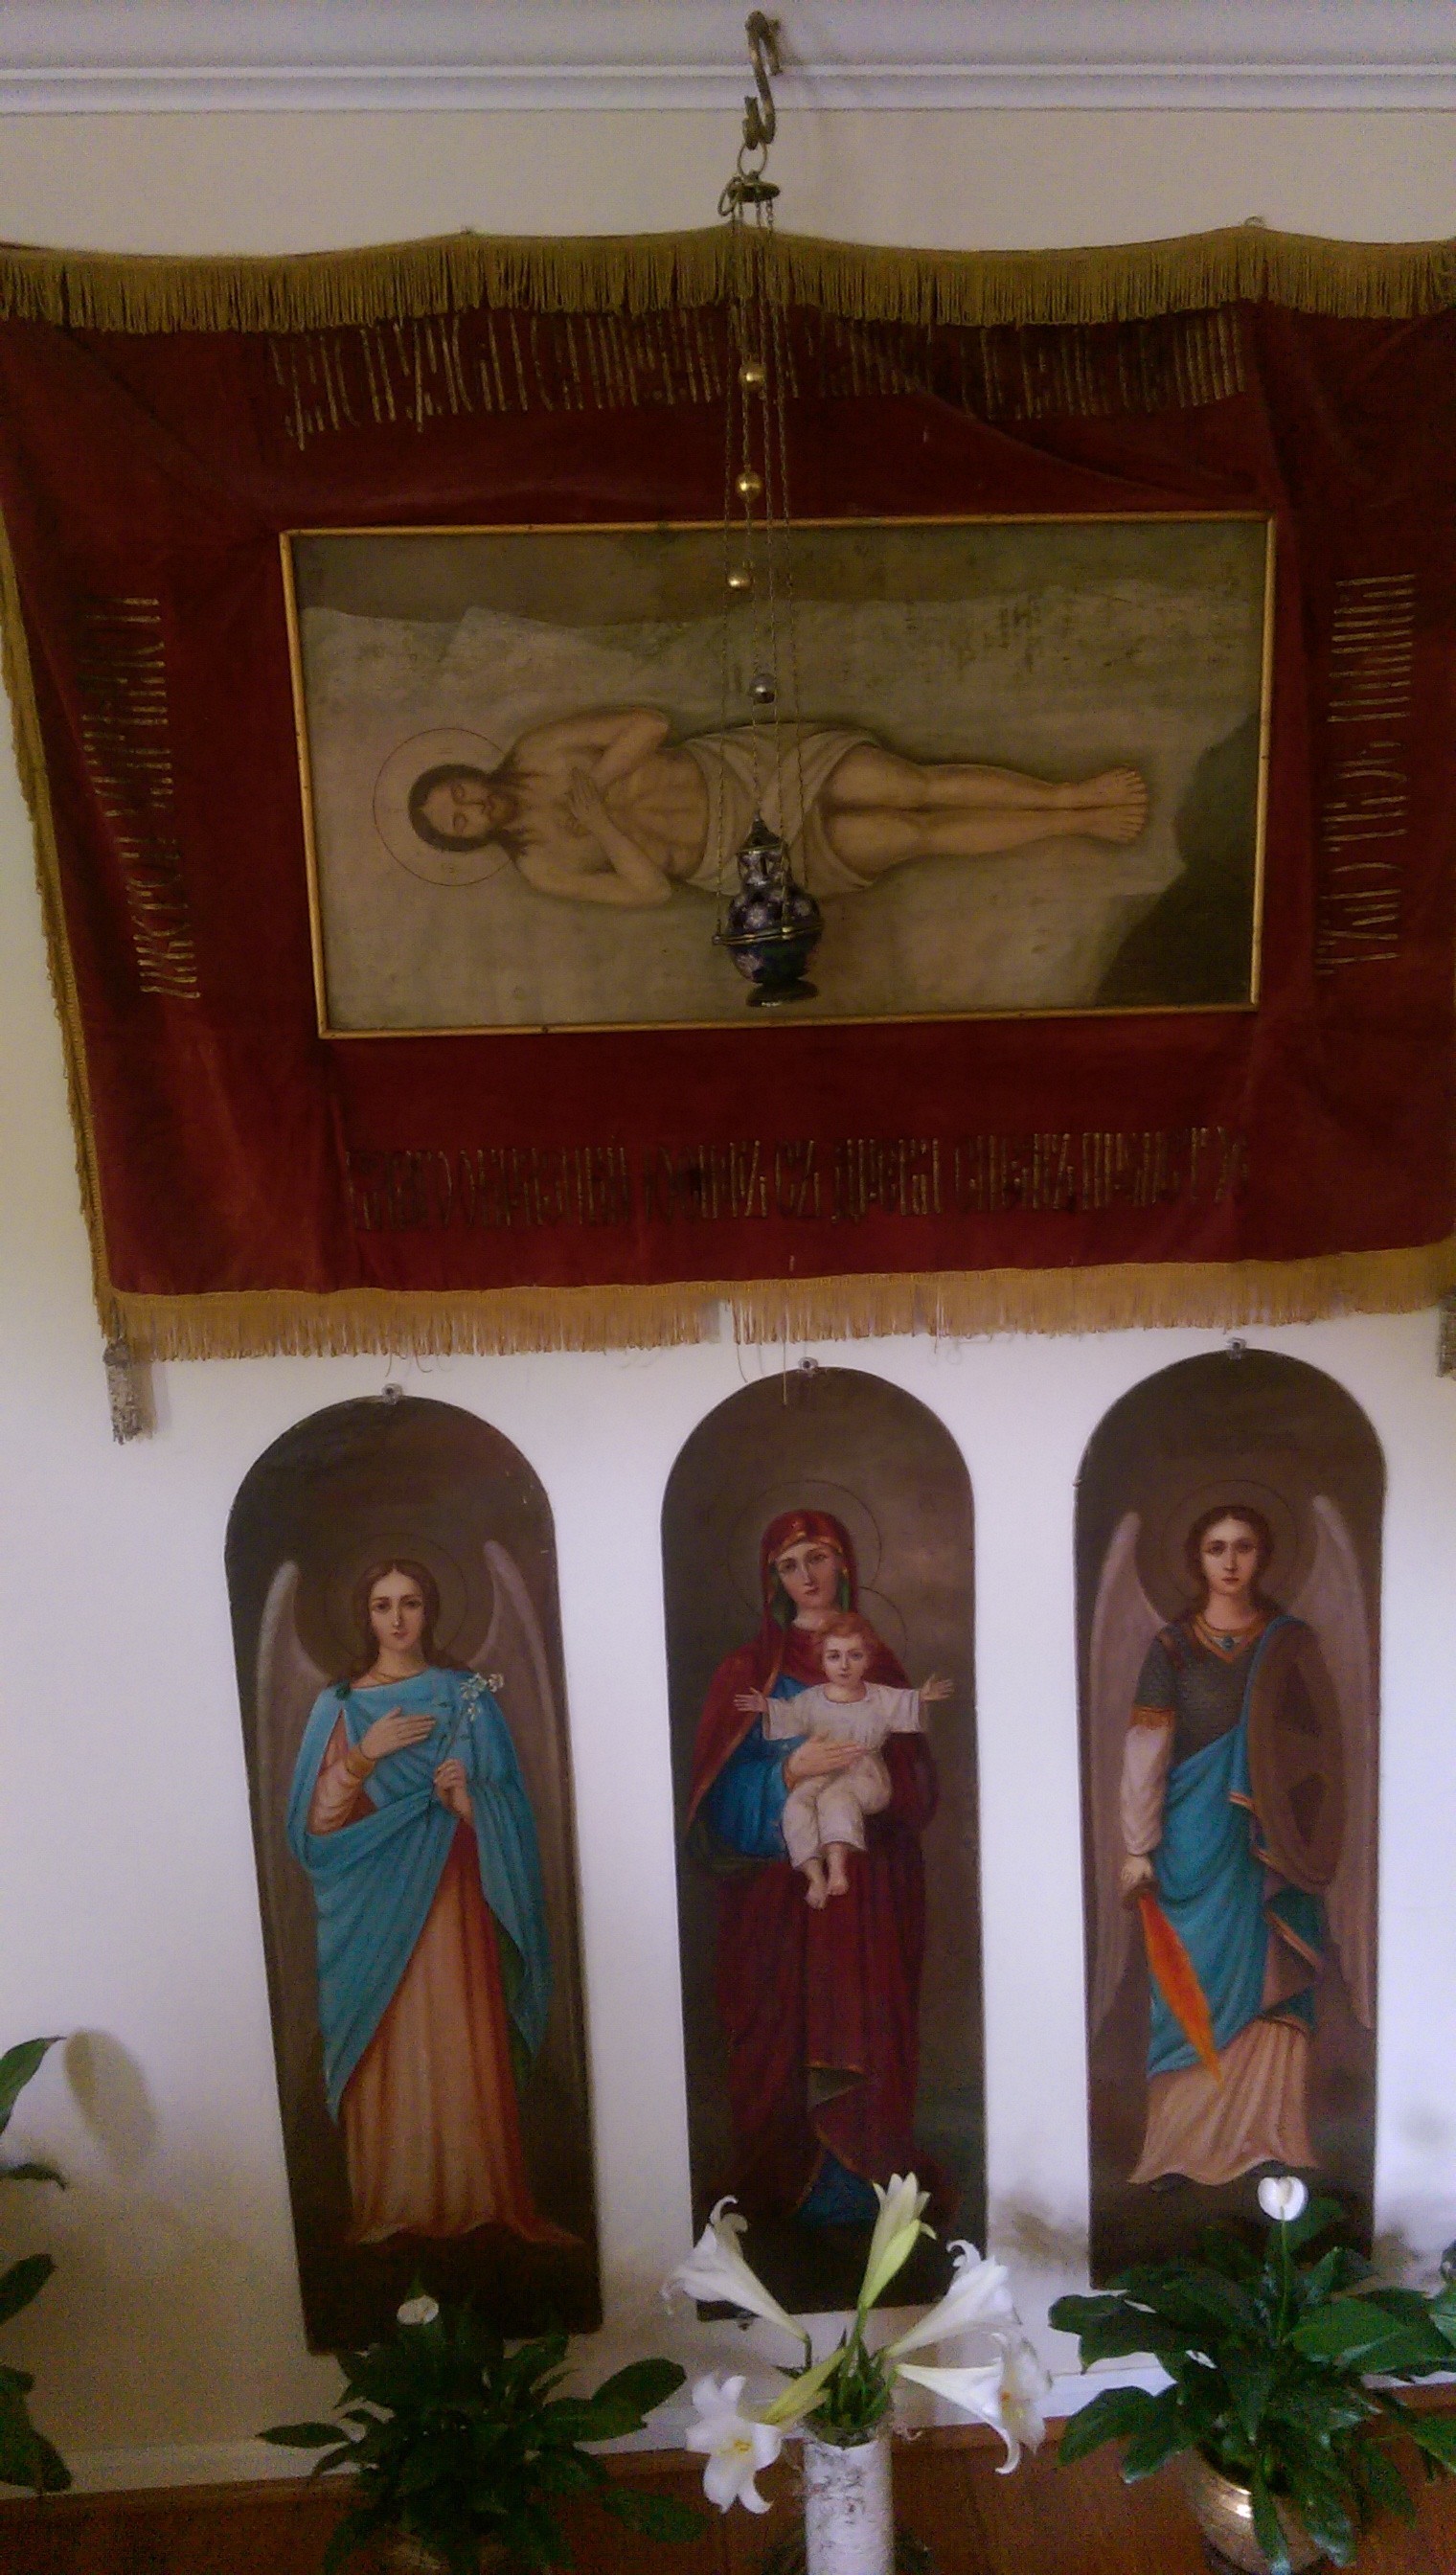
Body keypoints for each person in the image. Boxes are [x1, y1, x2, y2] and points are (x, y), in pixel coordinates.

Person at [286, 1558, 569, 2245]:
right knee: (389, 2039)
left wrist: (470, 1801)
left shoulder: (467, 1696)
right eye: (382, 1605)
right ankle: (394, 2202)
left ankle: (478, 2196)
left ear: (429, 1610)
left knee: (456, 2036)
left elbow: (514, 1810)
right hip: (371, 1904)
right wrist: (363, 1756)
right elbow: (315, 1828)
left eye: (410, 1602)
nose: (397, 1618)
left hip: (451, 1898)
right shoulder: (340, 1707)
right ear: (365, 1616)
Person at [686, 1509, 943, 2226]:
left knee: (866, 2031)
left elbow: (920, 1789)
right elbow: (715, 1805)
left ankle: (864, 2191)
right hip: (779, 1901)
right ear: (773, 1579)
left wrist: (875, 1772)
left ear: (845, 1564)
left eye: (819, 1558)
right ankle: (784, 2192)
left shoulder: (877, 1666)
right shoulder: (748, 1672)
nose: (807, 1576)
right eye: (790, 1564)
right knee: (782, 2037)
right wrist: (789, 1772)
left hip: (868, 1892)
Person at [405, 707, 1149, 908]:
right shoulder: (542, 867)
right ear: (467, 841)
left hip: (749, 768)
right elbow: (650, 890)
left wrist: (599, 782)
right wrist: (599, 821)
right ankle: (1076, 827)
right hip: (749, 860)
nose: (472, 807)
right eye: (459, 821)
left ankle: (1069, 796)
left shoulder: (541, 749)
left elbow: (650, 725)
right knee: (909, 835)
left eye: (459, 792)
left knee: (911, 787)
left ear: (466, 773)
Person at [1118, 1506, 1335, 2187]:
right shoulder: (1173, 1648)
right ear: (1197, 1558)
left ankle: (1267, 2137)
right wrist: (1137, 1845)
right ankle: (1180, 2149)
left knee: (1271, 1975)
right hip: (1192, 1839)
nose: (1231, 1561)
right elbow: (1147, 1750)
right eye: (1217, 1548)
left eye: (1244, 1546)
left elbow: (1316, 1749)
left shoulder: (1288, 1643)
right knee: (1190, 1986)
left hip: (1272, 1845)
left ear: (1263, 1555)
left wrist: (1300, 1830)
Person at [737, 1609, 951, 1907]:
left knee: (835, 1797)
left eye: (855, 1655)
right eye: (834, 1656)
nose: (845, 1665)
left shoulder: (878, 1697)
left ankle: (838, 1869)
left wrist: (922, 1696)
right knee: (797, 1803)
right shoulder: (813, 1699)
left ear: (868, 1659)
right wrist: (766, 1706)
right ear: (822, 1661)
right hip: (822, 1772)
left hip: (866, 1776)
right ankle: (814, 1876)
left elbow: (906, 1703)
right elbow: (789, 1713)